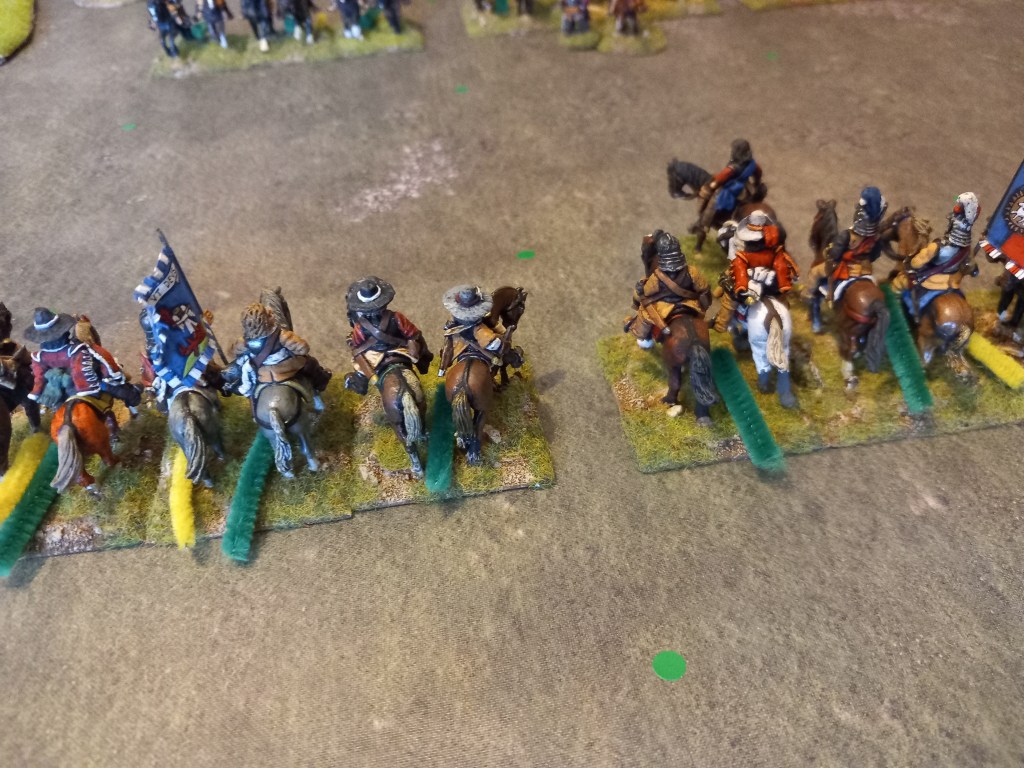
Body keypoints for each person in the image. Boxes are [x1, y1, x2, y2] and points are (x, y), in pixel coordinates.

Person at [808, 186, 887, 333]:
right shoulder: (876, 237)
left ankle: (813, 303)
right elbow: (875, 255)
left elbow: (835, 254)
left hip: (845, 269)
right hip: (865, 269)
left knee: (815, 273)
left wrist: (830, 251)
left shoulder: (846, 236)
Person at [24, 309, 139, 411]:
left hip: (60, 391)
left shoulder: (39, 357)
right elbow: (99, 359)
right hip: (83, 385)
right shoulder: (76, 349)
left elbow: (39, 378)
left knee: (56, 407)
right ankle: (133, 397)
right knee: (113, 387)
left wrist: (37, 392)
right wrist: (114, 375)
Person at [223, 303, 331, 410]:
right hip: (284, 369)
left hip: (260, 372)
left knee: (242, 378)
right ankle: (319, 386)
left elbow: (232, 353)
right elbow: (303, 349)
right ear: (266, 319)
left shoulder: (243, 342)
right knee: (311, 363)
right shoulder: (283, 335)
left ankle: (251, 404)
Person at [891, 192, 980, 319]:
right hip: (953, 284)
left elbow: (916, 263)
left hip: (932, 282)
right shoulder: (967, 249)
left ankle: (894, 309)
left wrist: (915, 258)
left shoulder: (936, 247)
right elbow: (974, 271)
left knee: (900, 280)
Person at [343, 277, 432, 394]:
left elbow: (357, 345)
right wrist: (412, 342)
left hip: (376, 354)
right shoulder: (397, 317)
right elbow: (412, 333)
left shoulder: (360, 326)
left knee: (360, 371)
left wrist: (412, 343)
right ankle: (423, 364)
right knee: (421, 353)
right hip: (399, 350)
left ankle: (360, 384)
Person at [625, 232, 711, 349]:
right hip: (690, 304)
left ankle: (642, 335)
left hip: (663, 307)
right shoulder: (692, 271)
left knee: (644, 314)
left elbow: (647, 292)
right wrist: (703, 307)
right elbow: (704, 289)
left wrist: (641, 289)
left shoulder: (656, 277)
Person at [695, 139, 765, 235]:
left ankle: (704, 223)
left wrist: (711, 186)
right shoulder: (753, 164)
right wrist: (756, 183)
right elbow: (758, 173)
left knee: (713, 202)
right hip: (746, 188)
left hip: (732, 189)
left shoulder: (731, 168)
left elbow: (720, 179)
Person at [438, 286, 504, 376]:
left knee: (448, 345)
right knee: (498, 344)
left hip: (461, 337)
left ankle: (442, 369)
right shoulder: (477, 316)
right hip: (477, 334)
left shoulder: (455, 315)